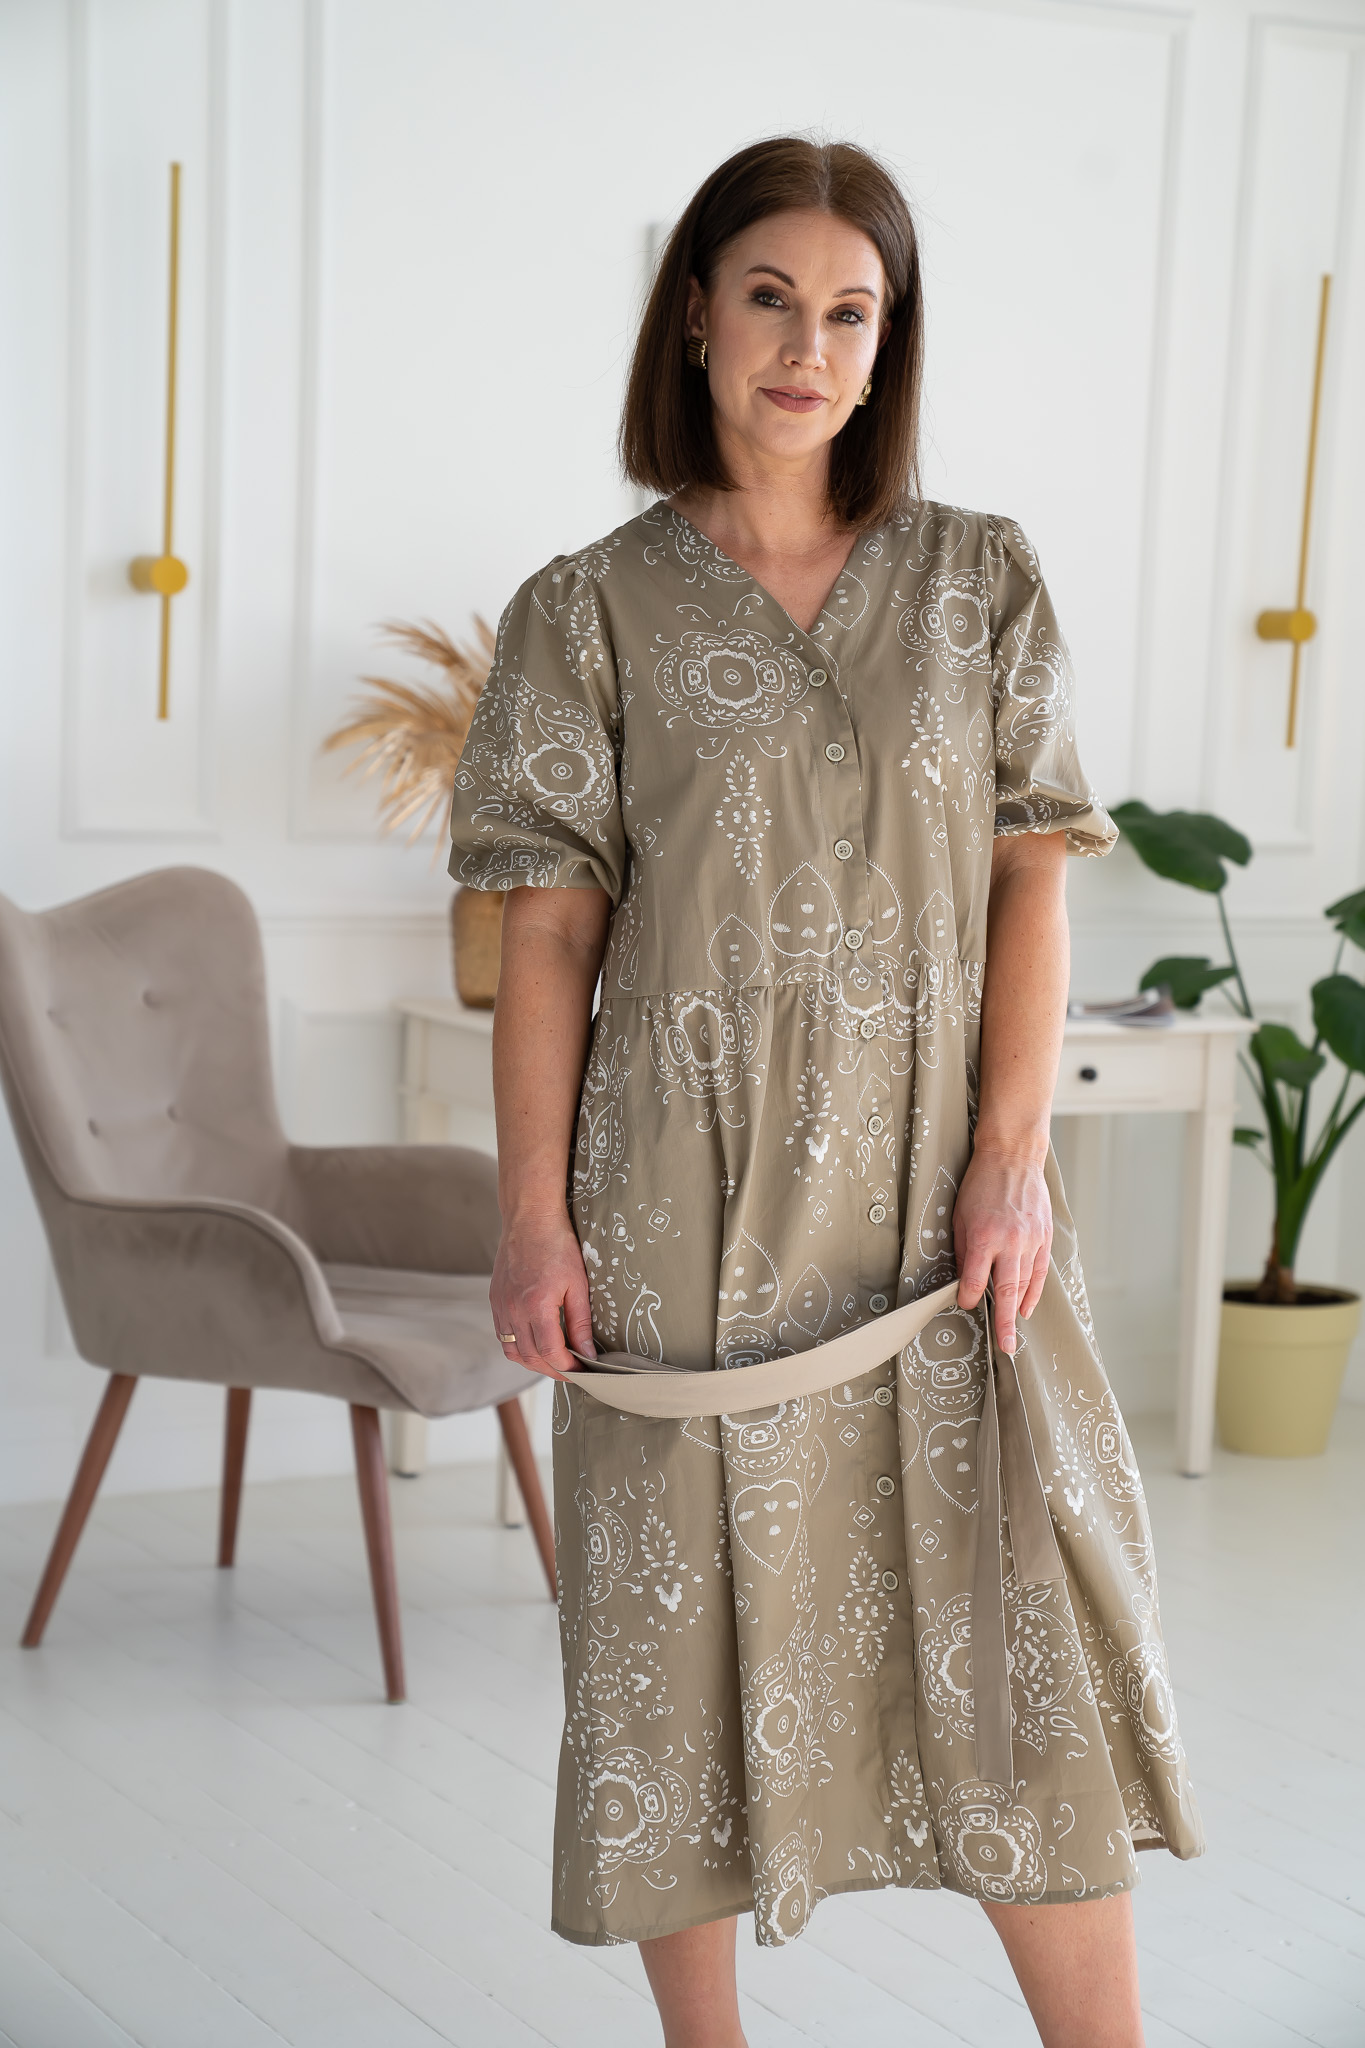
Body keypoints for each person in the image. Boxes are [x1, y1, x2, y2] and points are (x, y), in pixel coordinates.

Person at [448, 136, 1202, 2048]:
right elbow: (547, 938)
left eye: (850, 312)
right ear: (696, 315)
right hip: (674, 1207)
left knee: (1019, 1640)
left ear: (888, 345)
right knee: (672, 1647)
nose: (807, 347)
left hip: (937, 1204)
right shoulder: (582, 609)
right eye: (770, 298)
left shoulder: (977, 580)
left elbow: (1032, 875)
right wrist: (530, 1213)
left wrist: (1012, 1160)